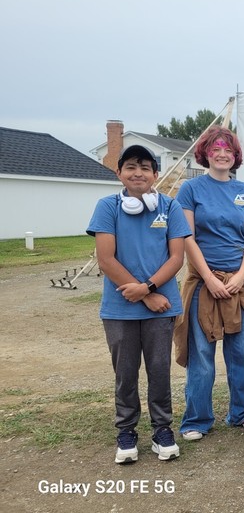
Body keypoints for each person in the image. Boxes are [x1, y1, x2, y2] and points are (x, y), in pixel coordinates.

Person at [87, 145, 191, 464]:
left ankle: (162, 430)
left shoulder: (170, 207)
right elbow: (106, 259)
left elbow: (177, 257)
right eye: (131, 166)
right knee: (125, 372)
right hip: (121, 309)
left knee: (159, 370)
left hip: (162, 307)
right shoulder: (107, 207)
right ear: (119, 172)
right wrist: (147, 295)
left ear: (155, 175)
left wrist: (147, 287)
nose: (138, 173)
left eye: (145, 167)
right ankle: (127, 432)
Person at [173, 127, 244, 440]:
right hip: (203, 283)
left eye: (228, 149)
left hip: (238, 283)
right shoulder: (191, 189)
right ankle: (196, 420)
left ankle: (242, 412)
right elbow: (187, 238)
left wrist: (241, 276)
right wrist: (210, 278)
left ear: (235, 155)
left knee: (241, 351)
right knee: (201, 353)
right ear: (206, 153)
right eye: (216, 148)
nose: (222, 153)